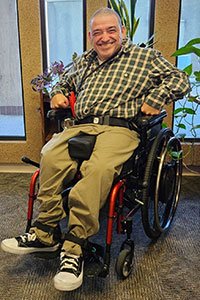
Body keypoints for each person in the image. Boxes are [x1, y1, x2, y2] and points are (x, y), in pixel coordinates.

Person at [1, 8, 190, 292]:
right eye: (97, 33)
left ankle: (75, 247)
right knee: (50, 156)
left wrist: (157, 97)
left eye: (111, 30)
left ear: (122, 32)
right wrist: (57, 93)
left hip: (120, 128)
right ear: (91, 37)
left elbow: (179, 80)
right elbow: (62, 81)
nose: (104, 37)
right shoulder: (85, 62)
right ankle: (45, 233)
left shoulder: (144, 57)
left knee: (97, 169)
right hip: (80, 126)